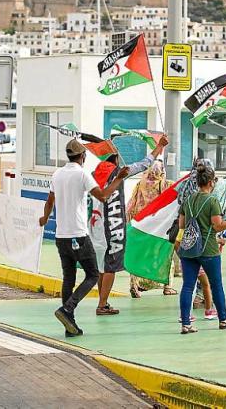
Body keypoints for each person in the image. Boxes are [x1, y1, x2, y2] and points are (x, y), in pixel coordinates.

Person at [39, 139, 129, 337]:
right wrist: (119, 178)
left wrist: (44, 219)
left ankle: (69, 325)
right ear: (82, 156)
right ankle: (68, 308)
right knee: (93, 274)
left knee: (68, 279)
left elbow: (50, 201)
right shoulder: (82, 174)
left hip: (61, 236)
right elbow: (103, 196)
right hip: (78, 235)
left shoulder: (57, 174)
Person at [90, 135, 169, 316]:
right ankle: (102, 305)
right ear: (116, 158)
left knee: (102, 267)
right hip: (112, 226)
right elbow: (144, 164)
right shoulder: (119, 172)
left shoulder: (94, 174)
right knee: (111, 266)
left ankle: (103, 301)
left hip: (95, 226)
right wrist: (159, 147)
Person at [175, 163, 226, 334]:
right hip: (208, 249)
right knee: (216, 285)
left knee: (187, 286)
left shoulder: (188, 200)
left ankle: (186, 324)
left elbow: (182, 225)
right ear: (211, 182)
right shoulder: (212, 201)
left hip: (189, 248)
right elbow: (218, 226)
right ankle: (223, 319)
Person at [126, 160, 178, 297]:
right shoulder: (167, 185)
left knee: (138, 255)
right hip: (159, 227)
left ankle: (134, 285)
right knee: (165, 254)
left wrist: (129, 222)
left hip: (141, 224)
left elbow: (131, 205)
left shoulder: (140, 184)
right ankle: (167, 287)